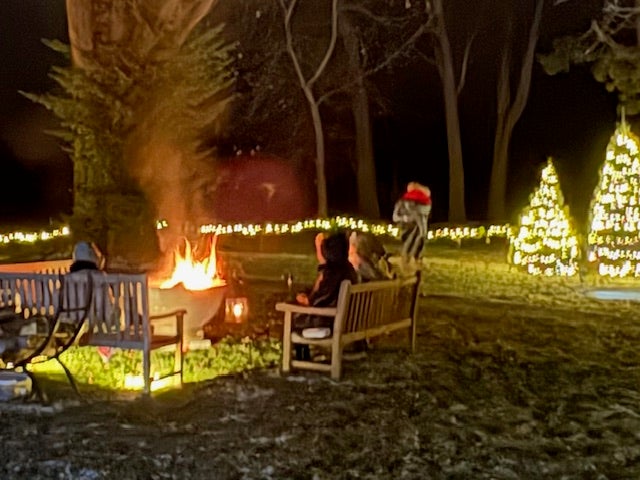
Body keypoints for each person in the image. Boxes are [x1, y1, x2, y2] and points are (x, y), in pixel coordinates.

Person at [293, 231, 358, 360]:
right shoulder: (348, 269)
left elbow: (321, 298)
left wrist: (306, 300)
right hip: (347, 321)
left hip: (330, 322)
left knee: (294, 320)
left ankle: (302, 359)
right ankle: (303, 358)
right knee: (298, 317)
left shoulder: (332, 273)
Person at [393, 181, 432, 268]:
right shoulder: (425, 206)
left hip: (408, 227)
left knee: (412, 239)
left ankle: (409, 259)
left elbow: (395, 217)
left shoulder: (402, 203)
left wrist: (403, 218)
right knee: (417, 238)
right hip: (413, 228)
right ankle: (414, 259)